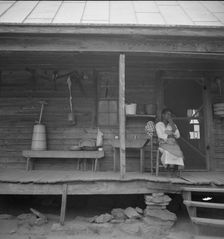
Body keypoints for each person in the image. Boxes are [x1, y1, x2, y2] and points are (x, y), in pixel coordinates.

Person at [155, 108, 184, 177]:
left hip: (172, 144)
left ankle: (174, 169)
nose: (169, 116)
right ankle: (169, 169)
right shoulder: (159, 125)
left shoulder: (172, 125)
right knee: (168, 152)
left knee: (178, 152)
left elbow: (178, 136)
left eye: (170, 115)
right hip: (163, 144)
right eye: (167, 114)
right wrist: (170, 135)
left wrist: (172, 125)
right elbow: (161, 136)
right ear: (163, 115)